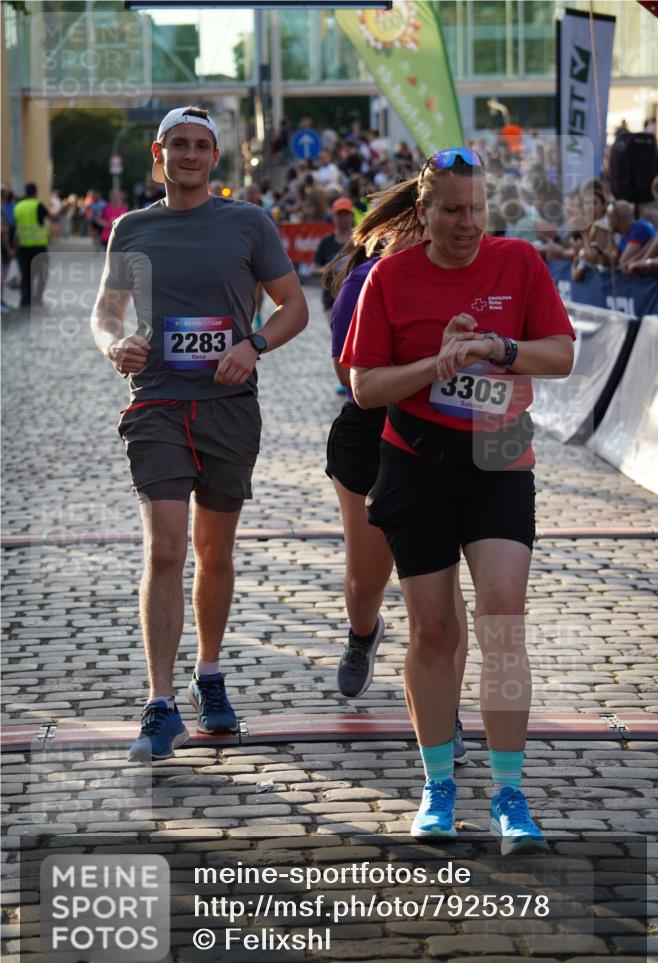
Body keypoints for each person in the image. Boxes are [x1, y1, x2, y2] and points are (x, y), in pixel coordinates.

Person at [340, 147, 574, 852]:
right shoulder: (390, 277)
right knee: (434, 629)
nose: (466, 222)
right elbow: (364, 387)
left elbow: (560, 354)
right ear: (424, 212)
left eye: (475, 207)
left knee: (501, 616)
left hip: (500, 453)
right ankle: (437, 784)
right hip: (416, 460)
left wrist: (496, 349)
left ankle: (509, 793)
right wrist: (433, 362)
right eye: (451, 209)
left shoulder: (518, 264)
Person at [92, 106, 308, 762]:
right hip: (156, 403)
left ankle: (207, 674)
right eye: (178, 144)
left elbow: (293, 305)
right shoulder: (131, 229)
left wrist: (253, 344)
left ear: (214, 158)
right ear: (158, 155)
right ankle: (160, 705)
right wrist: (112, 345)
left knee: (213, 553)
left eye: (201, 146)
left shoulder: (247, 223)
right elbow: (106, 311)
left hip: (227, 407)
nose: (189, 155)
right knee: (166, 548)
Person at [323, 180, 469, 763]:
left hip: (447, 434)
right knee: (366, 579)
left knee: (441, 582)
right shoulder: (363, 281)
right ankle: (363, 633)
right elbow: (348, 375)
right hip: (370, 432)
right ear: (397, 226)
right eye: (418, 221)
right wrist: (427, 364)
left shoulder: (470, 275)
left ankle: (445, 713)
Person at [313, 197, 355, 325]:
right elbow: (314, 267)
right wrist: (326, 269)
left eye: (345, 214)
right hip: (331, 298)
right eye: (339, 214)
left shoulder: (360, 241)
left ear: (351, 216)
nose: (342, 218)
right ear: (333, 217)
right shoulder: (326, 242)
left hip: (355, 295)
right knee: (338, 332)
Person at [13, 182, 52, 307]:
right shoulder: (38, 205)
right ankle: (37, 298)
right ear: (36, 192)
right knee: (42, 274)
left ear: (25, 192)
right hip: (38, 248)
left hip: (22, 248)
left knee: (26, 275)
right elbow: (53, 218)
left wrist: (13, 249)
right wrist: (64, 208)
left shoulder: (17, 207)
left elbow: (14, 230)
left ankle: (25, 302)